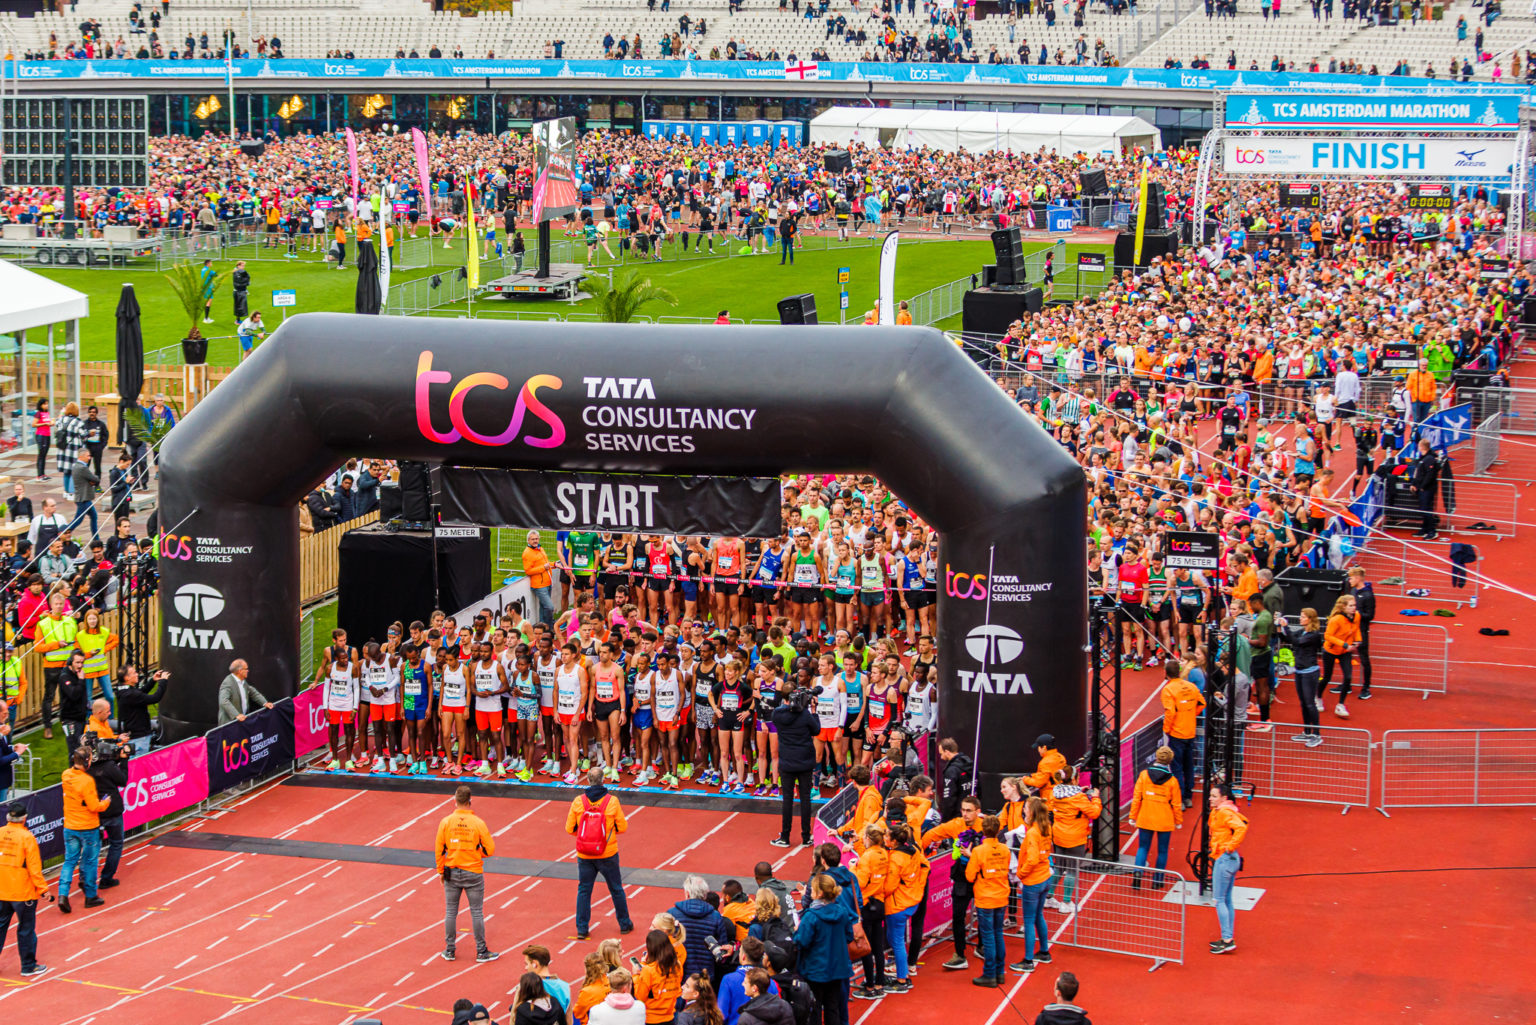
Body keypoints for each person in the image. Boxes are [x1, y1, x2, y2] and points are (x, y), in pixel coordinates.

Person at [566, 766, 635, 940]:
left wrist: (586, 838)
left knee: (584, 890)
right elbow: (623, 827)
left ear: (587, 780)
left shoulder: (578, 802)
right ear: (603, 779)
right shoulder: (612, 801)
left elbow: (570, 828)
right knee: (616, 889)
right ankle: (624, 924)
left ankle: (582, 928)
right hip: (607, 852)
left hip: (585, 854)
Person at [435, 784, 499, 963]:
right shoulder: (478, 823)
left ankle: (449, 950)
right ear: (470, 801)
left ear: (455, 801)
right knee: (477, 912)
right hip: (473, 871)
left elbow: (439, 850)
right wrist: (477, 853)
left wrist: (441, 871)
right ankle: (481, 951)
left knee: (450, 911)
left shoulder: (446, 822)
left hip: (452, 871)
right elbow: (490, 849)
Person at [792, 874, 855, 1025]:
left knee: (815, 1007)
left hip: (815, 970)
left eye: (812, 889)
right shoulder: (842, 912)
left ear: (819, 893)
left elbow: (802, 941)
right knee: (833, 1007)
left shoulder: (811, 917)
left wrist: (797, 931)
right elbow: (849, 936)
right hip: (837, 968)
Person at [0, 800, 53, 978]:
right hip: (22, 893)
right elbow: (34, 868)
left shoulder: (0, 833)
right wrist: (44, 890)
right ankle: (28, 966)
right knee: (26, 929)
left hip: (2, 890)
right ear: (24, 819)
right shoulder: (27, 838)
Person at [59, 746, 109, 914]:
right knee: (90, 861)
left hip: (70, 826)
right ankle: (90, 896)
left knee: (69, 861)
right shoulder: (87, 781)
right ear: (87, 761)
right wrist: (106, 802)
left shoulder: (66, 775)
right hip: (88, 827)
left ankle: (62, 894)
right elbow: (95, 806)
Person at [1007, 798, 1054, 974]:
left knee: (1028, 920)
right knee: (1038, 915)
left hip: (1033, 881)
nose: (1024, 811)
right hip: (1044, 878)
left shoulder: (1033, 832)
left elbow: (1033, 858)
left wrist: (1020, 874)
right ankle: (1044, 951)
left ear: (1033, 812)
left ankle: (1028, 960)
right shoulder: (1046, 828)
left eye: (1026, 808)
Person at [771, 684, 819, 847]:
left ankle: (785, 836)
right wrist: (814, 710)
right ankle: (806, 836)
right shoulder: (805, 714)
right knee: (805, 799)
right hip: (805, 761)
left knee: (787, 799)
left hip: (787, 761)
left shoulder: (777, 714)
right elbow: (816, 730)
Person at [965, 814, 1011, 987]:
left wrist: (971, 858)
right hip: (1001, 895)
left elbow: (970, 876)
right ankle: (999, 972)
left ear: (983, 831)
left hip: (985, 898)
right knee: (998, 934)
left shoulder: (979, 851)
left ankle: (989, 974)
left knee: (989, 937)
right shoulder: (1005, 849)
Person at [1128, 746, 1181, 889]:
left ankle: (1138, 873)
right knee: (1162, 850)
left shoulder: (1144, 775)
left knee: (1143, 848)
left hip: (1146, 816)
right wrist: (1178, 821)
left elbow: (1137, 797)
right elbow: (1176, 803)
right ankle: (1158, 880)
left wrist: (1133, 816)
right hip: (1164, 819)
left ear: (1156, 757)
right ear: (1170, 760)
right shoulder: (1172, 781)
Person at [1208, 781, 1248, 955]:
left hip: (1224, 859)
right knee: (1227, 899)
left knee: (1218, 899)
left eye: (1214, 796)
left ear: (1223, 798)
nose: (1210, 799)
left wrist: (1230, 847)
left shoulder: (1224, 812)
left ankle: (1227, 939)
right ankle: (1227, 937)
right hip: (1229, 859)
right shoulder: (1223, 811)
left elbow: (1240, 828)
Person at [669, 874, 734, 981]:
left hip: (680, 973)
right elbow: (722, 949)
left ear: (687, 894)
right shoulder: (715, 916)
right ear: (705, 895)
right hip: (706, 974)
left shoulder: (672, 914)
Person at [87, 731, 129, 889]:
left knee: (92, 847)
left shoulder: (87, 769)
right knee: (116, 843)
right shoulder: (109, 766)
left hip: (94, 810)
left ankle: (86, 879)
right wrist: (124, 761)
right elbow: (123, 780)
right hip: (112, 810)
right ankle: (106, 877)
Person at [1160, 662, 1205, 807]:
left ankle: (1179, 798)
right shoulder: (1190, 686)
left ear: (1166, 673)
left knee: (1177, 766)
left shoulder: (1168, 690)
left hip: (1177, 733)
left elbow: (1170, 712)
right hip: (1190, 731)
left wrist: (1167, 728)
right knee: (1188, 764)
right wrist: (1191, 715)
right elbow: (1202, 703)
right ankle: (1188, 796)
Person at [631, 929, 684, 1025]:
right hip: (670, 1015)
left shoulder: (648, 970)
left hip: (652, 1018)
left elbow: (640, 996)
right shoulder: (677, 965)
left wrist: (636, 975)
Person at [114, 665, 169, 756]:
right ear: (127, 678)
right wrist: (163, 681)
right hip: (140, 738)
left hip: (135, 735)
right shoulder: (130, 694)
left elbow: (140, 693)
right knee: (138, 766)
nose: (137, 674)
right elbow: (155, 698)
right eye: (134, 673)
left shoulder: (123, 690)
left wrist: (153, 681)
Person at [217, 659, 273, 724]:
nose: (248, 671)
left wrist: (265, 703)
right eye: (246, 669)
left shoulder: (243, 681)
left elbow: (253, 693)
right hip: (229, 723)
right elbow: (223, 701)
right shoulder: (227, 683)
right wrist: (236, 715)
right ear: (240, 671)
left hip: (241, 721)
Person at [524, 531, 557, 626]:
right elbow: (528, 571)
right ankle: (550, 626)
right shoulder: (527, 553)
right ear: (528, 540)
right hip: (539, 585)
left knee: (543, 607)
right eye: (533, 539)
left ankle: (542, 628)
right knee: (549, 607)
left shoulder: (540, 548)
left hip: (547, 583)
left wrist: (554, 564)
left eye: (536, 539)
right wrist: (544, 568)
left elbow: (545, 563)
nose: (535, 541)